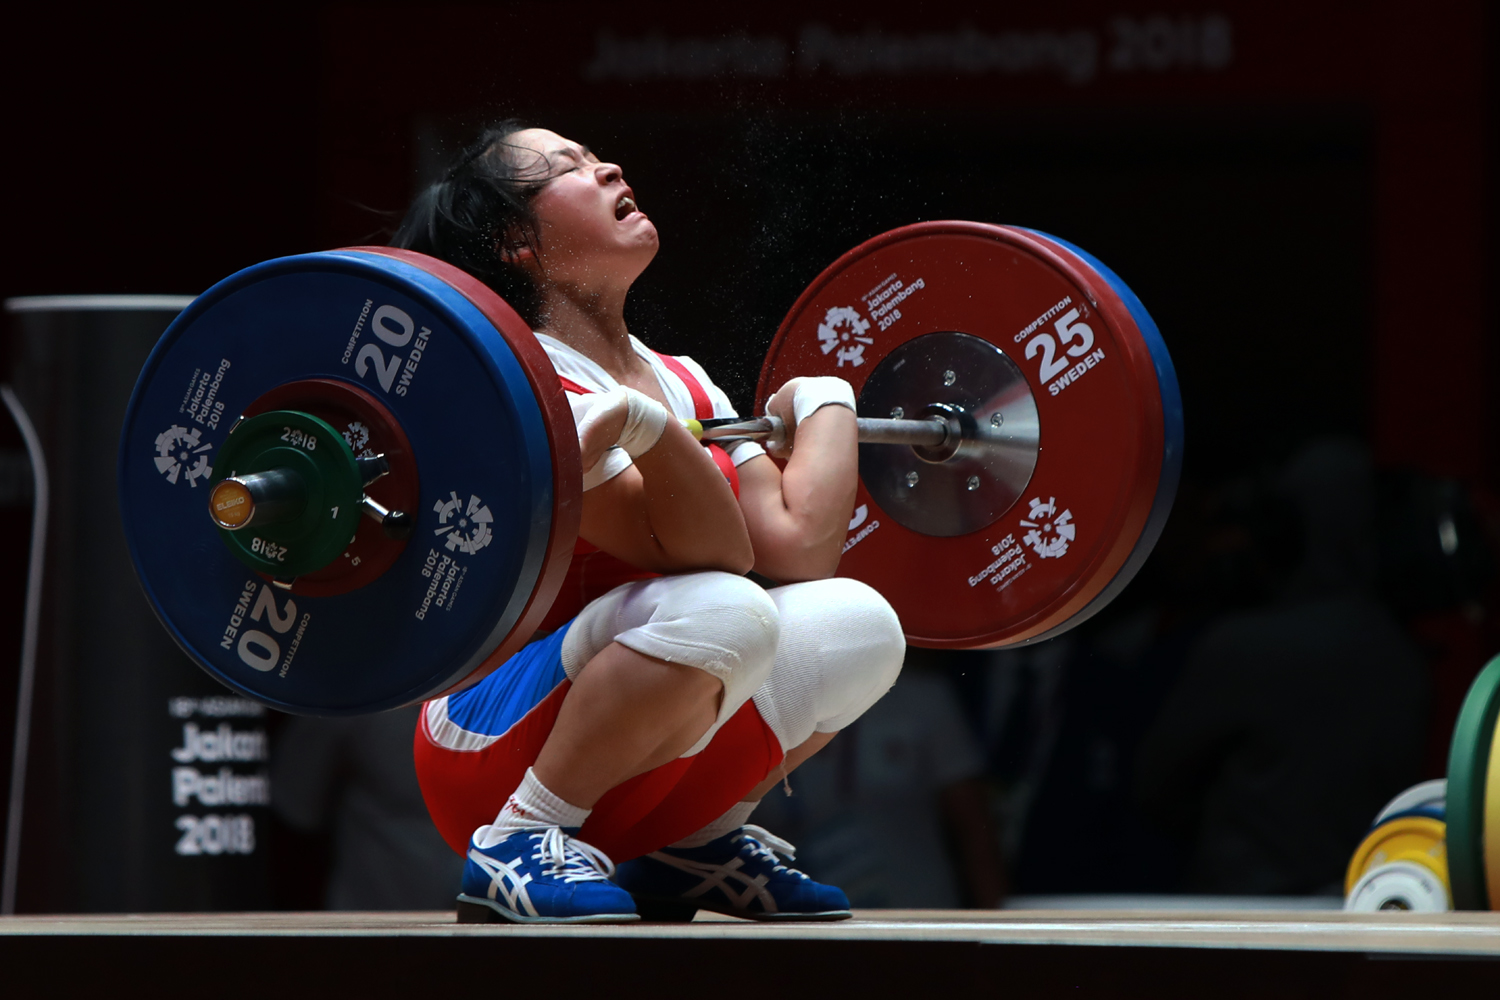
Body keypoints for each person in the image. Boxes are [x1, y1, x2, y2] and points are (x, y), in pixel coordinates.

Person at [391, 121, 905, 924]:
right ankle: (520, 841)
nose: (608, 169)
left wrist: (828, 398)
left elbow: (799, 549)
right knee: (724, 607)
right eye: (569, 168)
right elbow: (712, 553)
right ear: (516, 242)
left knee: (860, 625)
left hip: (639, 760)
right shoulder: (524, 382)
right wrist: (652, 428)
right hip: (491, 748)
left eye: (598, 157)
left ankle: (689, 845)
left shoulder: (683, 382)